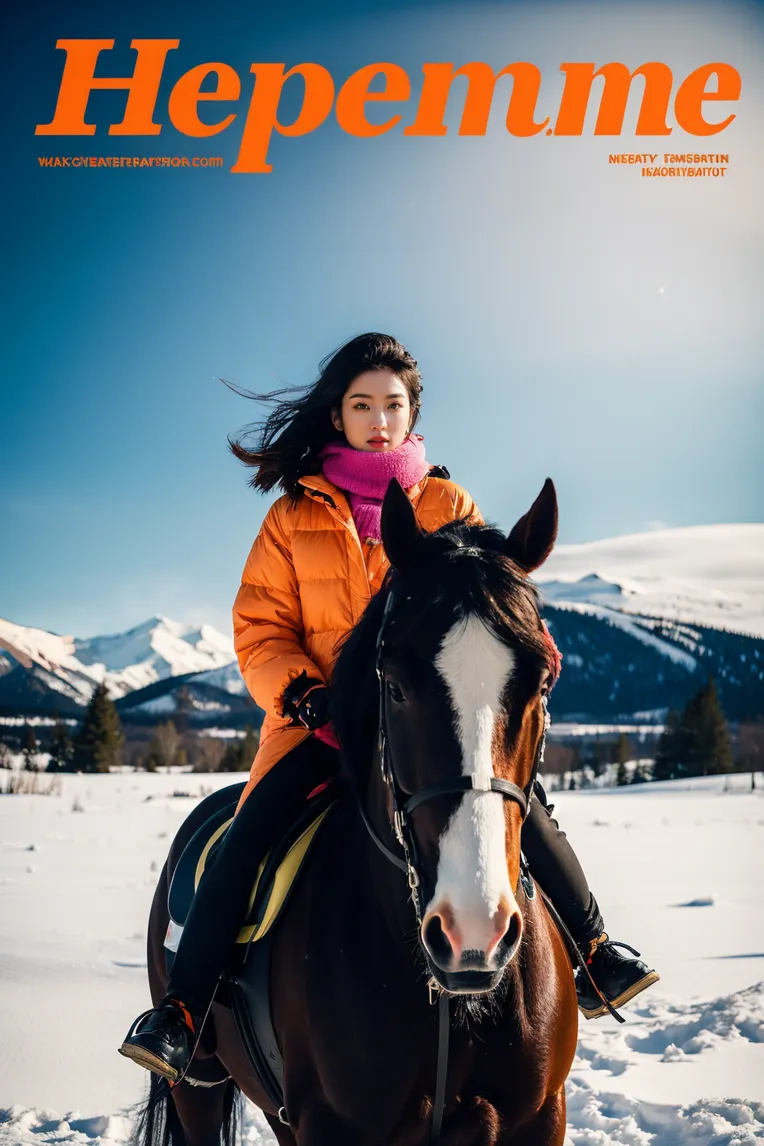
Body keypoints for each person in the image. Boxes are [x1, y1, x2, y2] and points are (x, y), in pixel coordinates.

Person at [119, 332, 658, 1082]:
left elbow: (488, 601)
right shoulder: (291, 517)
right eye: (361, 404)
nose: (379, 419)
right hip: (322, 726)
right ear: (336, 415)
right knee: (247, 836)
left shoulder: (447, 503)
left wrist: (531, 642)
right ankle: (183, 1011)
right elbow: (260, 627)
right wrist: (303, 693)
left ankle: (596, 954)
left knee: (521, 808)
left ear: (413, 416)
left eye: (393, 405)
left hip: (428, 725)